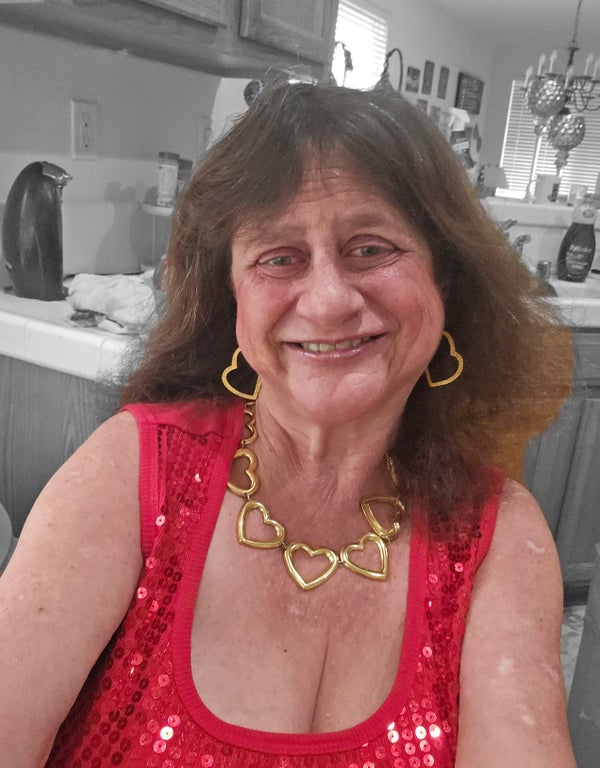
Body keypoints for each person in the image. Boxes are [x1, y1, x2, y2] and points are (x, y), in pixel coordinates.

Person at [0, 81, 576, 768]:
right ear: (232, 298)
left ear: (445, 281)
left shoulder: (500, 536)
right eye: (279, 257)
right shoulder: (130, 473)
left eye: (371, 249)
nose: (328, 301)